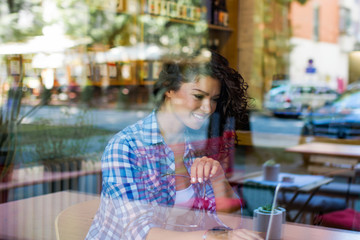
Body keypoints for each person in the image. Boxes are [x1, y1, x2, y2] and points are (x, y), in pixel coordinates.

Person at [86, 50, 261, 240]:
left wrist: (218, 178)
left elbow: (233, 222)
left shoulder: (196, 145)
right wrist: (211, 237)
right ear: (169, 89)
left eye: (214, 99)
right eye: (198, 96)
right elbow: (139, 233)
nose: (208, 108)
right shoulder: (126, 147)